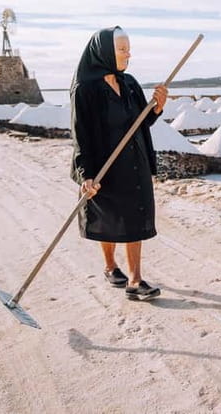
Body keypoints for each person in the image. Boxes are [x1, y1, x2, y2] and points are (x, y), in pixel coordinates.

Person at [70, 26, 168, 301]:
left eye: (128, 48)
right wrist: (85, 175)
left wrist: (157, 108)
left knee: (135, 215)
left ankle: (135, 281)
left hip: (134, 162)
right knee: (108, 218)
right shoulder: (85, 90)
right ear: (104, 53)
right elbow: (81, 135)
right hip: (103, 166)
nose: (128, 54)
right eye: (122, 49)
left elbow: (141, 123)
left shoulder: (129, 83)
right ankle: (110, 265)